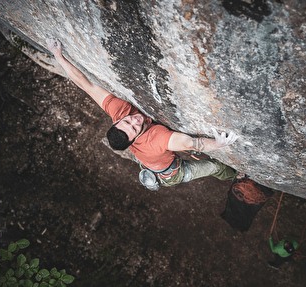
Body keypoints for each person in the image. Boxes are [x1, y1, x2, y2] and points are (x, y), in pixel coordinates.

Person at [46, 39, 240, 189]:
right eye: (134, 127)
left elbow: (85, 85)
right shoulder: (156, 139)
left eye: (127, 121)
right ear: (134, 139)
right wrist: (219, 144)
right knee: (214, 167)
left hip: (154, 161)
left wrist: (58, 56)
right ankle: (236, 176)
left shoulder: (119, 112)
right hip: (172, 174)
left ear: (117, 122)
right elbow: (193, 144)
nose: (134, 120)